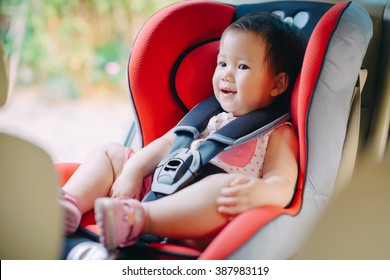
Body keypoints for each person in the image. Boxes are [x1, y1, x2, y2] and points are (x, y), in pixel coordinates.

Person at [59, 13, 306, 251]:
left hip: (201, 213)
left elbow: (283, 183)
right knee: (110, 151)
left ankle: (139, 220)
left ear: (277, 84)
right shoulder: (210, 117)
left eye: (242, 66)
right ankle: (67, 205)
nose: (226, 74)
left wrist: (260, 192)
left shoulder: (277, 133)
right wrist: (132, 172)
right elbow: (168, 144)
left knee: (222, 187)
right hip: (160, 187)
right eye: (222, 63)